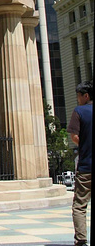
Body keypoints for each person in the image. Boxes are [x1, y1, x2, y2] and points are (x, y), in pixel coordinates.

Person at [67, 80, 92, 246]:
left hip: (86, 166)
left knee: (80, 205)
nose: (77, 99)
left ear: (86, 96)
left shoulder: (79, 111)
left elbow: (74, 136)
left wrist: (83, 144)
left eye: (78, 96)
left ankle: (81, 239)